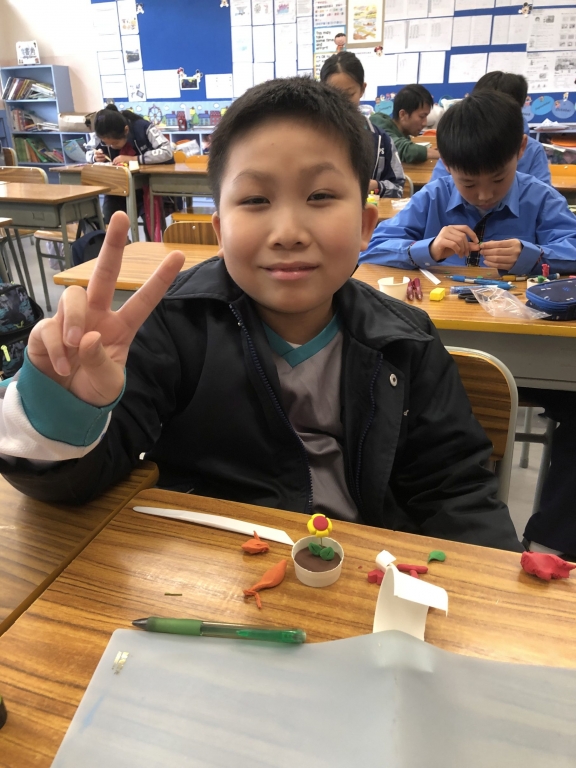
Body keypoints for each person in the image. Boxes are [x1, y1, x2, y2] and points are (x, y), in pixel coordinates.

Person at [0, 78, 521, 552]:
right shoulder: (174, 326)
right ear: (220, 230)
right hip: (212, 577)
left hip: (361, 581)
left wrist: (493, 602)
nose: (288, 232)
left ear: (366, 226)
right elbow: (78, 483)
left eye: (320, 195)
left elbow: (456, 494)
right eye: (254, 199)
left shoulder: (407, 341)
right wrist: (63, 410)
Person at [361, 90, 576, 559]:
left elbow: (573, 245)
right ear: (447, 165)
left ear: (520, 151)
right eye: (467, 182)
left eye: (497, 180)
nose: (482, 195)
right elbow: (373, 246)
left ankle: (554, 539)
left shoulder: (539, 198)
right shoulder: (435, 197)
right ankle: (400, 527)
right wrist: (427, 248)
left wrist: (536, 254)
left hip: (534, 356)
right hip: (442, 360)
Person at [431, 72, 551, 186]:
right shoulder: (457, 143)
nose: (484, 196)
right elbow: (436, 188)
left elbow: (543, 194)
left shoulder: (533, 150)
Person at [321, 52, 405, 198]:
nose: (342, 103)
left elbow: (398, 187)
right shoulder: (314, 137)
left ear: (362, 89)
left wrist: (376, 186)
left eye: (349, 95)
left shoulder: (380, 140)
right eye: (334, 95)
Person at [85, 104, 174, 233]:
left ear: (126, 130)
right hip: (119, 189)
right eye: (107, 143)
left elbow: (167, 151)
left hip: (149, 188)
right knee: (110, 221)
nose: (111, 147)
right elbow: (88, 152)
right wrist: (95, 157)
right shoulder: (101, 132)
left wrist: (135, 159)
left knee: (150, 223)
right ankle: (119, 243)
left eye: (115, 143)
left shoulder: (143, 127)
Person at [370, 84, 440, 164]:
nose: (425, 123)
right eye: (422, 116)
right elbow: (396, 147)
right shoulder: (377, 121)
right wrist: (443, 156)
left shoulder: (403, 136)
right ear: (402, 114)